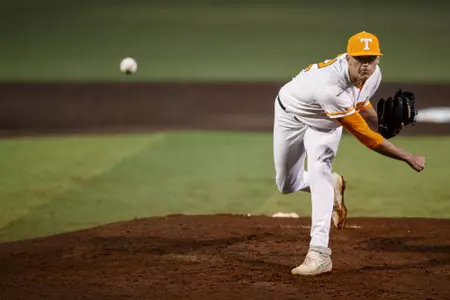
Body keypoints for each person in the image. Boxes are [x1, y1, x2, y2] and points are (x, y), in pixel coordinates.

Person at [273, 31, 425, 276]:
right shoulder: (329, 87)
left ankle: (319, 253)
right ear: (347, 58)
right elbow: (366, 137)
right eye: (360, 59)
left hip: (326, 123)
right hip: (290, 115)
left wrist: (381, 123)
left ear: (378, 60)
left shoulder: (374, 76)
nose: (366, 65)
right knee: (286, 183)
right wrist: (407, 156)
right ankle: (332, 185)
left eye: (371, 58)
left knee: (319, 169)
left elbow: (360, 103)